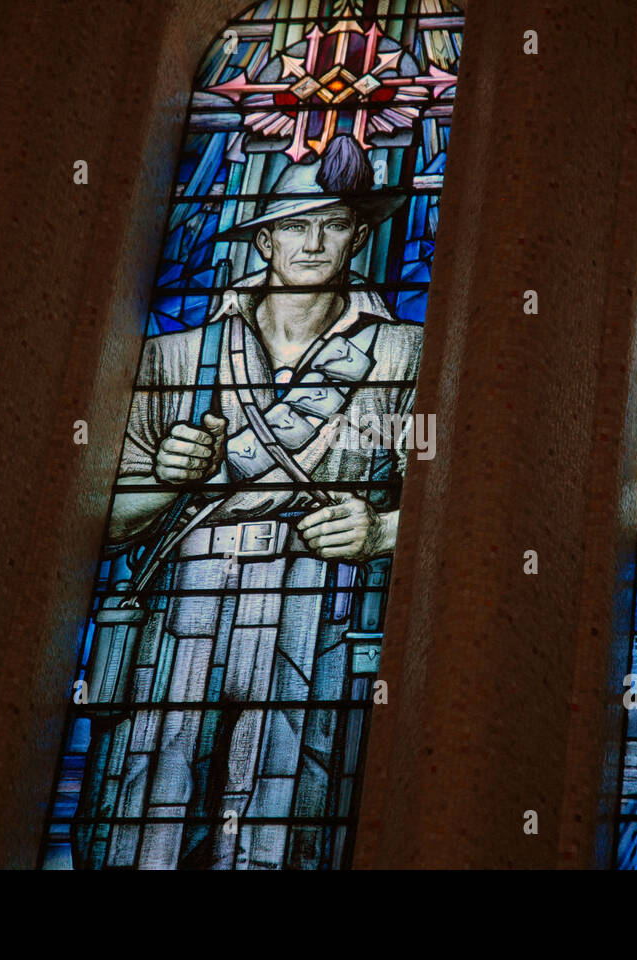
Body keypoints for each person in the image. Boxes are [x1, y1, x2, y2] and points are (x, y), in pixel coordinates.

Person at [73, 136, 423, 869]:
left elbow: (459, 507)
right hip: (182, 602)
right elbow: (93, 529)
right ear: (262, 237)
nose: (313, 241)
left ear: (361, 233)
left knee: (290, 800)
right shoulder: (175, 357)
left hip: (324, 597)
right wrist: (168, 479)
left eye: (333, 223)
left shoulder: (407, 355)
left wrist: (382, 530)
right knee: (150, 792)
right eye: (294, 224)